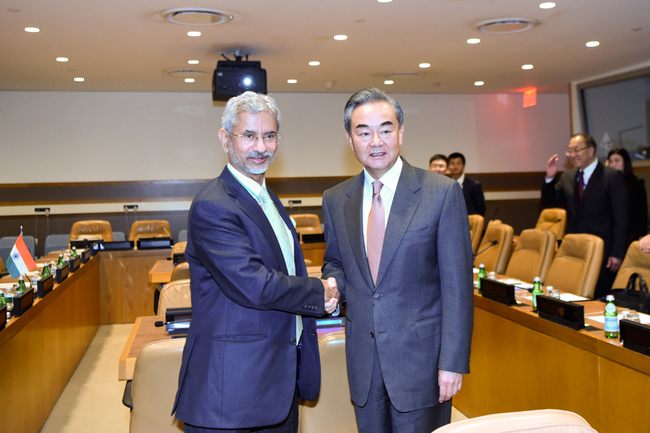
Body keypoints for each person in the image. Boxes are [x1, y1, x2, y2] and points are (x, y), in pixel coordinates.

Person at [172, 91, 339, 432]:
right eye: (248, 135)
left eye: (269, 135)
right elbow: (254, 284)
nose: (260, 147)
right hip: (231, 390)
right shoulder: (214, 204)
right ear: (225, 139)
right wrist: (318, 292)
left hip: (276, 382)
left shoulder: (267, 198)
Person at [321, 88, 474, 432]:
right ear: (350, 139)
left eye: (386, 130)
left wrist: (452, 362)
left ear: (401, 132)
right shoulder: (335, 199)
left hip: (423, 364)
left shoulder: (441, 193)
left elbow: (457, 288)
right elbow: (336, 262)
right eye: (363, 132)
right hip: (363, 362)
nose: (376, 141)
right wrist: (332, 285)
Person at [542, 133, 628, 299]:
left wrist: (617, 252)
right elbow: (550, 200)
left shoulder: (610, 176)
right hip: (575, 249)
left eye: (576, 150)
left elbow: (621, 217)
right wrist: (550, 177)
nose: (573, 155)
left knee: (597, 297)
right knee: (574, 295)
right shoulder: (568, 177)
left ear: (591, 150)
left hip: (603, 249)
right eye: (569, 151)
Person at [606, 147, 648, 247]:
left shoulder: (636, 184)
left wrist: (642, 234)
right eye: (610, 161)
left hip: (630, 232)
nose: (613, 164)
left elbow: (642, 212)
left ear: (625, 162)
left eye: (617, 160)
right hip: (610, 232)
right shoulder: (606, 184)